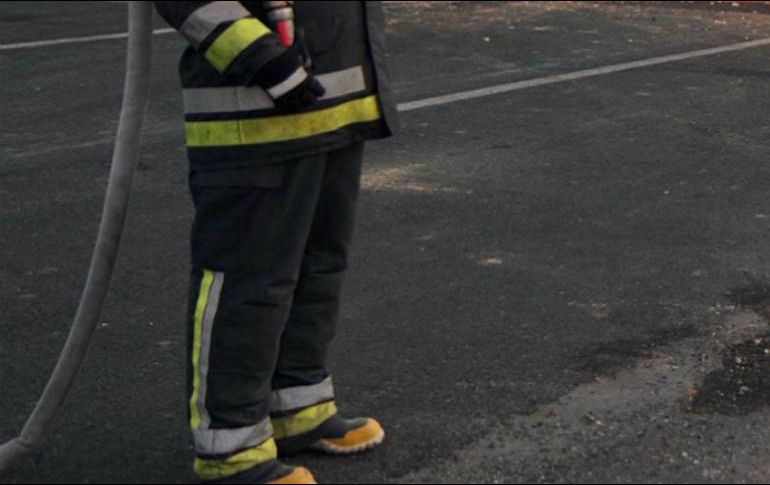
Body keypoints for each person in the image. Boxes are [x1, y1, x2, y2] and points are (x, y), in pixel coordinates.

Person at [153, 1, 398, 483]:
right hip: (254, 118)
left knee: (317, 266)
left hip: (333, 111)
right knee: (245, 284)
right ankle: (231, 447)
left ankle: (298, 408)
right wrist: (265, 58)